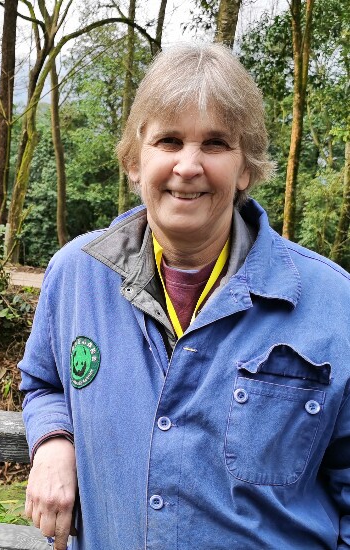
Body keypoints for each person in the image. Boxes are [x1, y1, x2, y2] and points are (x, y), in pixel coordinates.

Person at [19, 42, 350, 550]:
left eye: (215, 144)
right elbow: (43, 383)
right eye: (169, 141)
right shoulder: (76, 277)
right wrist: (53, 442)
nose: (189, 165)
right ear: (134, 161)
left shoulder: (333, 304)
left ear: (245, 168)